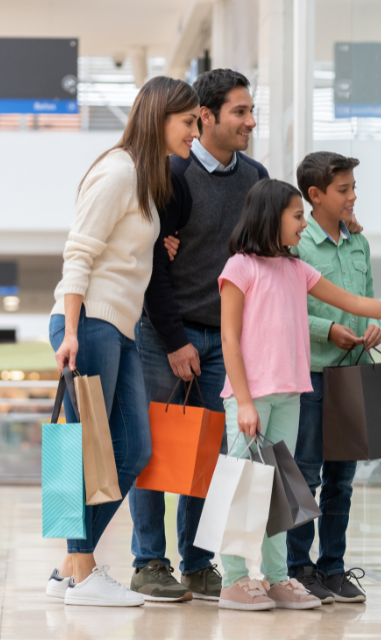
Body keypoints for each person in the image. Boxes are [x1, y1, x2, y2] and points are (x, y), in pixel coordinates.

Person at [217, 178, 381, 611]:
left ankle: (274, 577)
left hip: (290, 394)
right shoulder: (239, 268)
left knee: (279, 492)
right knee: (243, 485)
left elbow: (356, 303)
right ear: (271, 217)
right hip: (250, 397)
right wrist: (244, 401)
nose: (303, 225)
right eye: (297, 216)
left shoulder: (296, 270)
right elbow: (229, 340)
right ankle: (234, 579)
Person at [45, 76, 201, 608]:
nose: (194, 134)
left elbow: (129, 252)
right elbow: (78, 252)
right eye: (189, 123)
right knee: (85, 453)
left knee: (134, 450)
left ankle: (70, 567)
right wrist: (69, 330)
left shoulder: (146, 182)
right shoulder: (117, 171)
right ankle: (83, 574)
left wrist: (163, 242)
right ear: (160, 118)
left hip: (120, 328)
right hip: (89, 323)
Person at [128, 69, 265, 603]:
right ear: (204, 116)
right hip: (166, 335)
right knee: (154, 452)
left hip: (224, 341)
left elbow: (261, 257)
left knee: (209, 458)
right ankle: (148, 561)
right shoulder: (169, 174)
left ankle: (198, 563)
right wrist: (174, 337)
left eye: (251, 111)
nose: (250, 121)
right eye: (239, 112)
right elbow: (153, 267)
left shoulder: (256, 176)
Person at [285, 152, 380, 604]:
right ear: (315, 195)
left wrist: (374, 326)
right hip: (311, 376)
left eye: (353, 187)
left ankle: (334, 567)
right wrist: (327, 330)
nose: (353, 196)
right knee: (304, 476)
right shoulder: (296, 246)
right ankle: (298, 568)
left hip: (354, 379)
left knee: (342, 480)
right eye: (344, 189)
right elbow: (282, 311)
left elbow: (369, 301)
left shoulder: (359, 244)